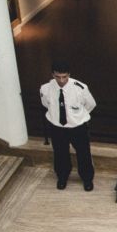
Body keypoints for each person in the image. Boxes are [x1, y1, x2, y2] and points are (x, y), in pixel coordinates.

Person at [39, 60, 96, 191]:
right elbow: (46, 104)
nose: (61, 80)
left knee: (83, 153)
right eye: (58, 77)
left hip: (77, 127)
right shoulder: (45, 89)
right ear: (53, 74)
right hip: (57, 128)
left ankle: (87, 178)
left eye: (64, 77)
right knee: (60, 154)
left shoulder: (80, 88)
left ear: (69, 74)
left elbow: (91, 105)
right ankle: (62, 176)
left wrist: (78, 117)